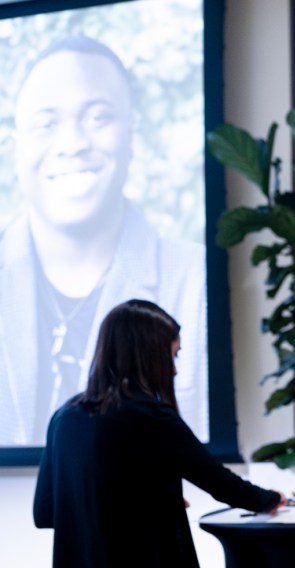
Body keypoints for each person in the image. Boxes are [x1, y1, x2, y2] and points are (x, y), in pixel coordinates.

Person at [32, 299, 284, 568]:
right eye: (174, 354)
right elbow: (220, 483)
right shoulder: (152, 416)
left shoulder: (65, 417)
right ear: (149, 352)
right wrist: (275, 498)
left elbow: (46, 512)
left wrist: (143, 498)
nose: (175, 367)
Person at [0, 34, 207, 447]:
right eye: (46, 123)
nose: (74, 144)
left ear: (132, 133)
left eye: (97, 117)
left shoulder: (197, 283)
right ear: (15, 140)